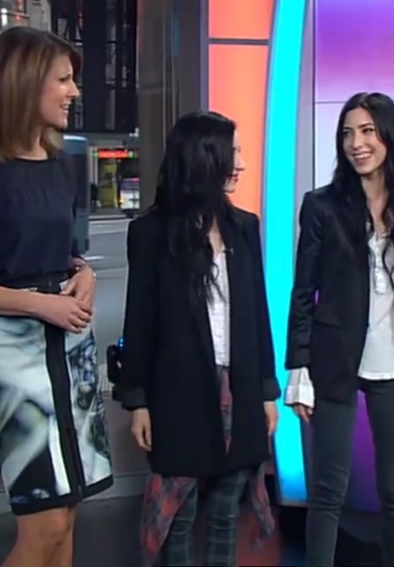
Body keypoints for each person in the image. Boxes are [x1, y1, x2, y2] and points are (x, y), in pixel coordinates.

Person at [0, 26, 111, 567]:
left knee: (67, 515)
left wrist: (85, 275)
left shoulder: (57, 165)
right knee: (44, 523)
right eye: (64, 79)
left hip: (67, 342)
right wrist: (38, 304)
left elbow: (62, 252)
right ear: (25, 83)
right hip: (9, 350)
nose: (74, 91)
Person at [116, 110, 280, 567]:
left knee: (228, 507)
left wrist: (267, 390)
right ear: (205, 158)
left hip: (241, 385)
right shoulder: (150, 233)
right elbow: (139, 320)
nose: (241, 164)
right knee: (179, 512)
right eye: (233, 153)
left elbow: (258, 313)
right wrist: (138, 400)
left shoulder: (244, 226)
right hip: (178, 390)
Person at [284, 92, 394, 567]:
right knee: (329, 488)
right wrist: (299, 369)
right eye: (348, 133)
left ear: (389, 136)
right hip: (335, 359)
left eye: (367, 131)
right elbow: (303, 292)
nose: (356, 143)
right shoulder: (322, 206)